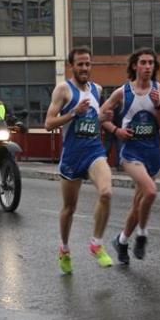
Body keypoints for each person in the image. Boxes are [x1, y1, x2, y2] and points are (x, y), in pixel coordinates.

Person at [44, 46, 113, 274]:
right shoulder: (63, 90)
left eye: (88, 64)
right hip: (73, 155)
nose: (84, 68)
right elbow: (49, 124)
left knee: (106, 193)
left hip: (94, 151)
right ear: (71, 66)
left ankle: (96, 243)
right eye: (80, 64)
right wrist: (74, 112)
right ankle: (64, 249)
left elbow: (93, 117)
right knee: (69, 208)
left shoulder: (97, 89)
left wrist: (103, 118)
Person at [99, 47, 160, 265]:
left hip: (153, 154)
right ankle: (142, 235)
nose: (147, 66)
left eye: (151, 63)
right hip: (131, 153)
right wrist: (116, 130)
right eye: (143, 62)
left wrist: (158, 107)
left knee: (139, 202)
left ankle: (121, 241)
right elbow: (101, 116)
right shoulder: (122, 93)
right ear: (134, 66)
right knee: (150, 191)